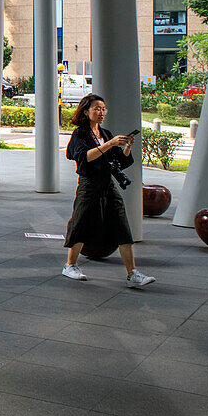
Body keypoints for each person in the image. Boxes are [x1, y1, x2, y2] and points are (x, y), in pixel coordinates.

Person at [61, 93, 155, 287]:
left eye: (103, 109)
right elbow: (84, 157)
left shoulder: (106, 134)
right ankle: (70, 265)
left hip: (108, 184)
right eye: (97, 108)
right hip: (89, 184)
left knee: (122, 224)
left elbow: (120, 161)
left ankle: (132, 273)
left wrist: (126, 147)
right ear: (86, 111)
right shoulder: (80, 134)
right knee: (81, 222)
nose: (101, 112)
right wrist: (110, 144)